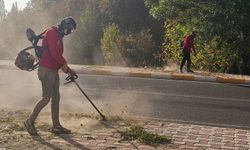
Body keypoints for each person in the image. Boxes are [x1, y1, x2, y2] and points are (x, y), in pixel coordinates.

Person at [24, 17, 77, 135]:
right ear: (65, 25)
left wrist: (65, 68)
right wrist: (66, 67)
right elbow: (55, 54)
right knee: (46, 98)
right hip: (46, 71)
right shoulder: (52, 33)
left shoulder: (58, 35)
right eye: (70, 29)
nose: (69, 32)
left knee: (56, 98)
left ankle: (56, 126)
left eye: (71, 30)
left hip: (53, 70)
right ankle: (29, 121)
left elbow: (56, 55)